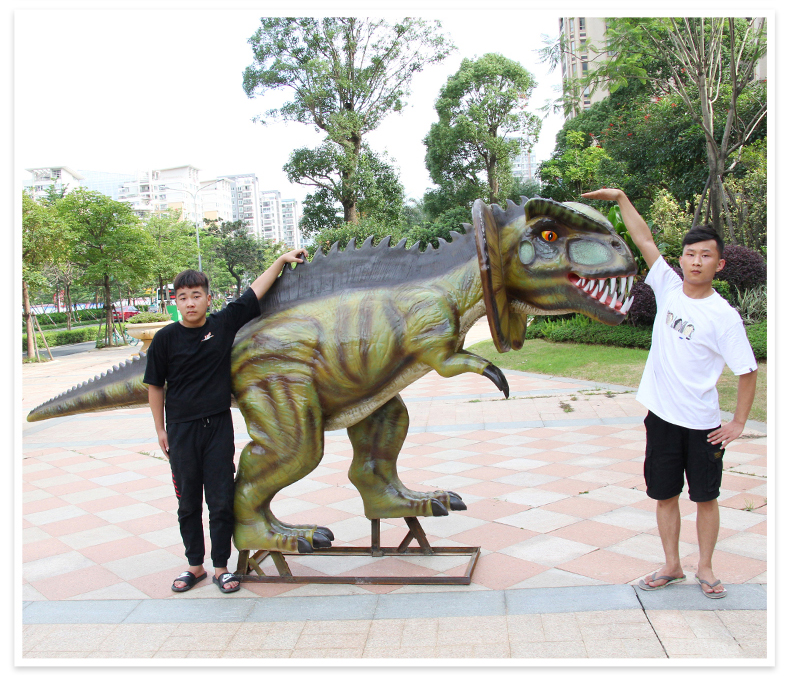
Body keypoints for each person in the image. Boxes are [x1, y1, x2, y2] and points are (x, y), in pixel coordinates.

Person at [582, 188, 758, 599]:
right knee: (664, 495)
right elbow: (643, 238)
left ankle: (707, 568)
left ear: (719, 263)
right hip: (661, 417)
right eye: (691, 254)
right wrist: (621, 198)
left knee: (706, 498)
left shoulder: (724, 317)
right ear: (682, 259)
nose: (697, 261)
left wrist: (738, 422)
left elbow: (748, 372)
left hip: (702, 425)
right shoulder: (667, 285)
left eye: (706, 255)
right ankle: (672, 565)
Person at [144, 249, 308, 593]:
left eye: (196, 296)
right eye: (183, 297)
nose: (190, 303)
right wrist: (160, 429)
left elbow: (254, 292)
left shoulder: (222, 324)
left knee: (220, 500)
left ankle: (221, 568)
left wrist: (280, 261)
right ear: (175, 301)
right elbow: (155, 386)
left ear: (207, 298)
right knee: (187, 503)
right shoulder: (164, 339)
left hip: (217, 427)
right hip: (181, 431)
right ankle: (195, 566)